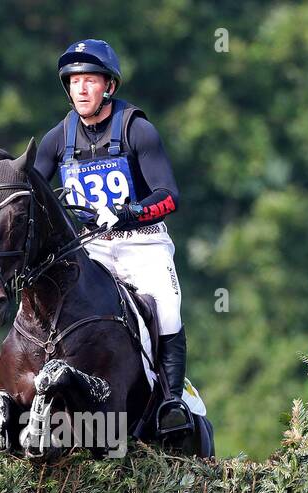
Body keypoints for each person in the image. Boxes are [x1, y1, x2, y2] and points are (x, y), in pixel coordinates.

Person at [32, 39, 191, 435]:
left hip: (144, 242)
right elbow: (31, 189)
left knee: (168, 308)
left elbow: (170, 195)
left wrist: (129, 212)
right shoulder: (57, 138)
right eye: (74, 82)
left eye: (90, 81)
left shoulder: (138, 129)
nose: (81, 89)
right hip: (92, 248)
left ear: (109, 87)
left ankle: (171, 403)